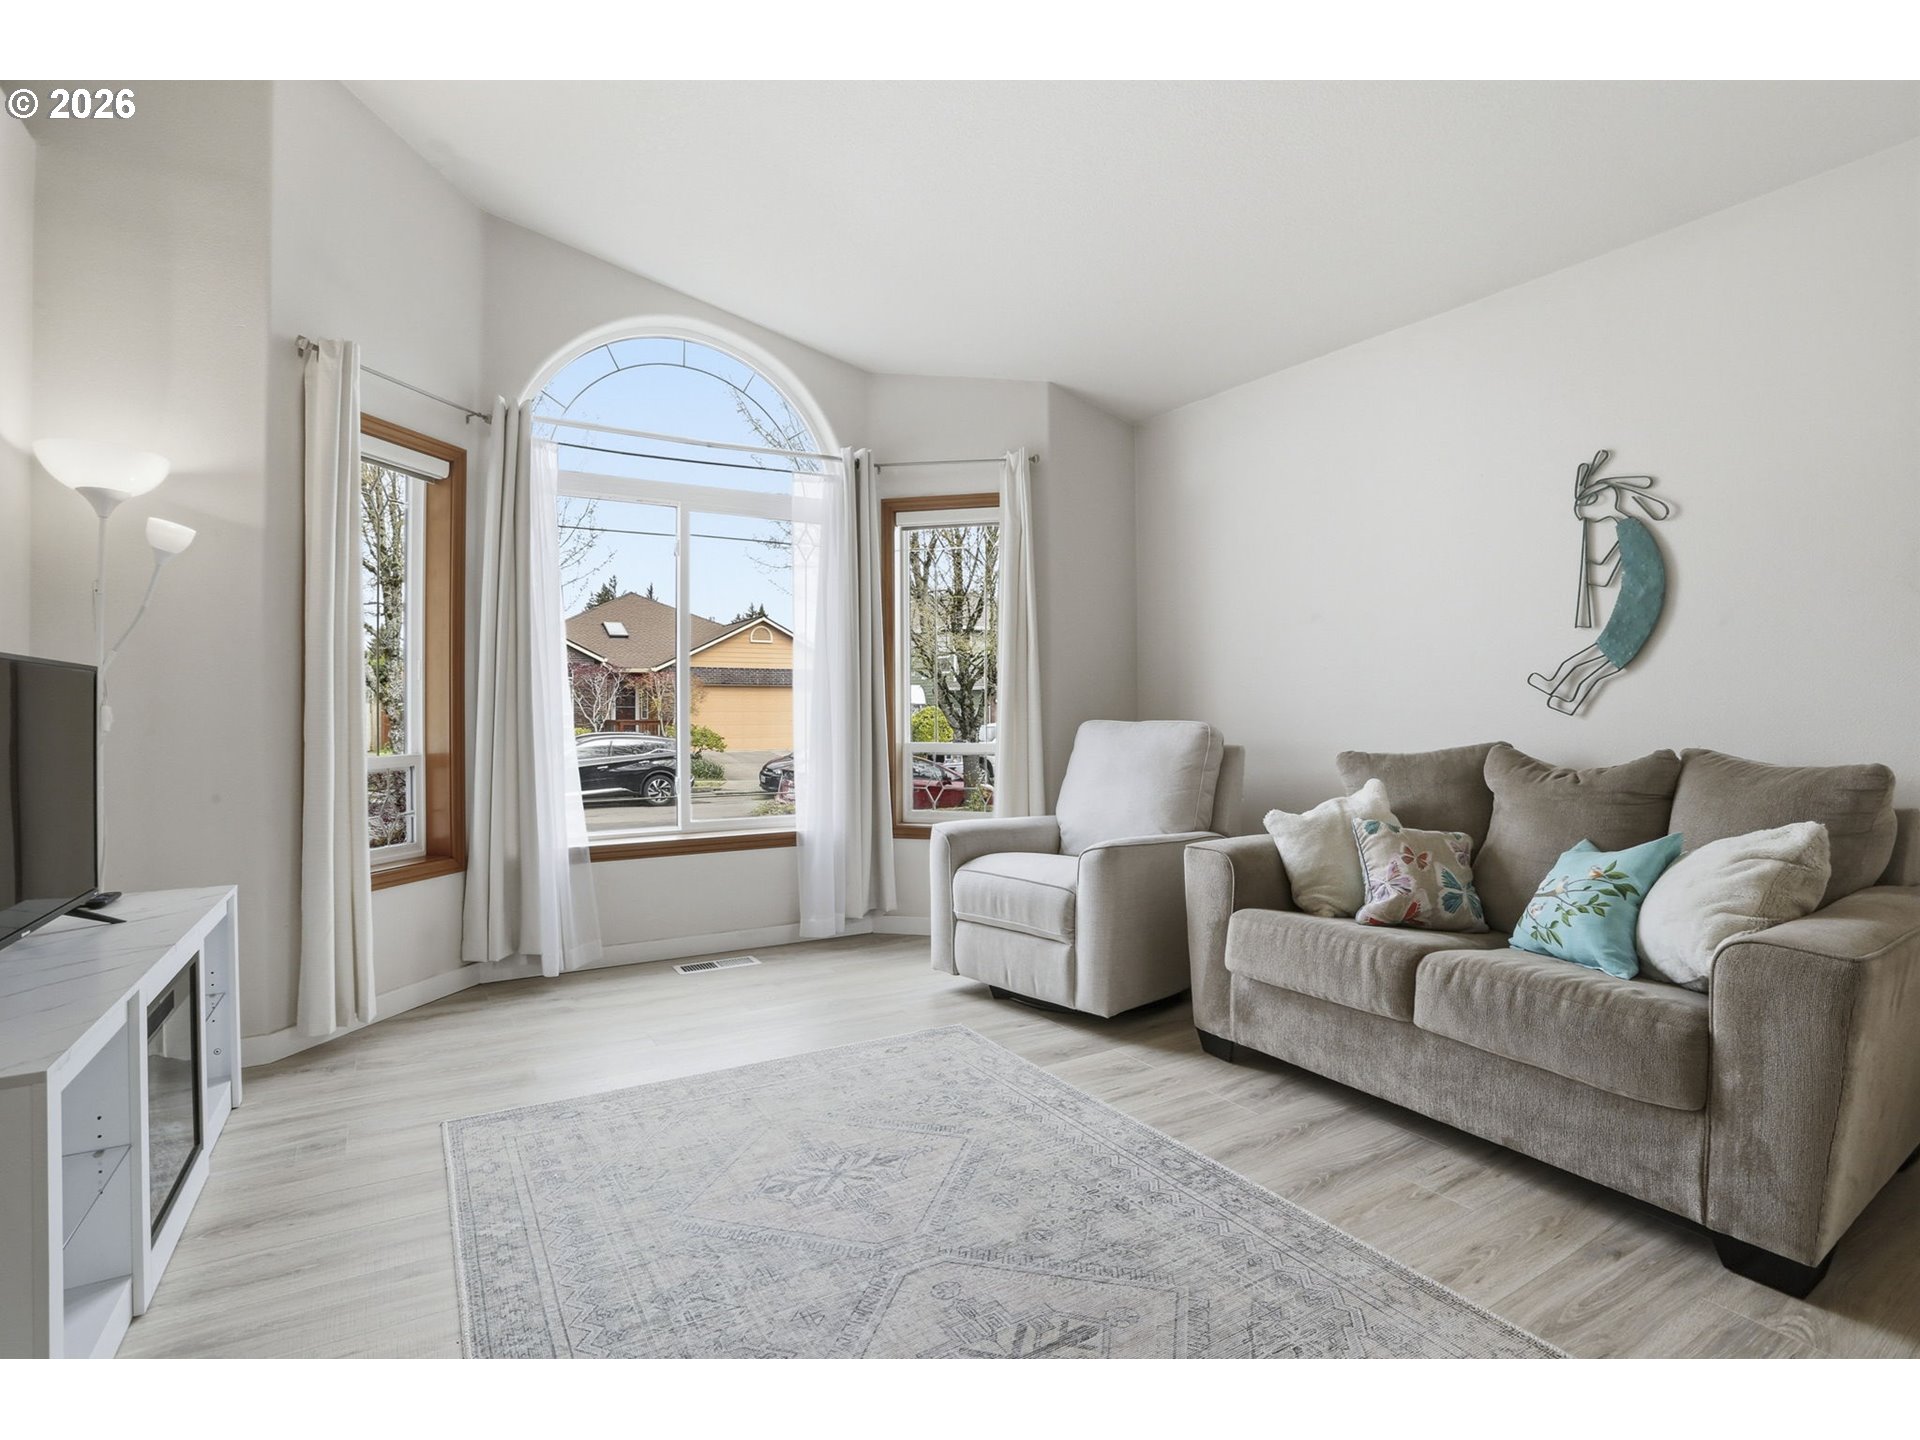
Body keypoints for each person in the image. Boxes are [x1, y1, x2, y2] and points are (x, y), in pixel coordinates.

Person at [1527, 451, 1672, 715]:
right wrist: (1595, 573)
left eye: (1590, 501)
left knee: (1604, 660)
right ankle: (1560, 686)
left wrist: (1598, 575)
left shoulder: (1632, 532)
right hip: (1632, 609)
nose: (1583, 510)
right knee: (1600, 655)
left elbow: (1635, 572)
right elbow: (1615, 566)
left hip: (1636, 614)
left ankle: (1571, 696)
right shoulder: (1628, 531)